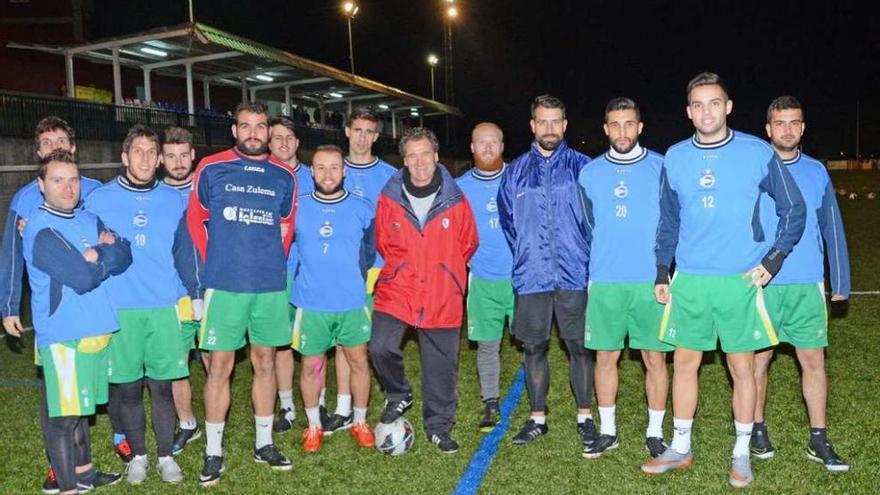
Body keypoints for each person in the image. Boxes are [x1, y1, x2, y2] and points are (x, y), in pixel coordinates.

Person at [641, 73, 806, 489]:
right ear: (688, 111)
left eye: (714, 103)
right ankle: (680, 446)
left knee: (742, 366)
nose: (706, 111)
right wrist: (663, 270)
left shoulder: (756, 151)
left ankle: (741, 452)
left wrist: (773, 259)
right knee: (685, 362)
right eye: (697, 105)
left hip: (740, 280)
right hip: (692, 280)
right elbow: (669, 221)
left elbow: (794, 209)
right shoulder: (675, 157)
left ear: (728, 106)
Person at [0, 117, 131, 493]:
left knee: (80, 411)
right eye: (57, 180)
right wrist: (98, 255)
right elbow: (81, 277)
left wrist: (98, 253)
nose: (68, 186)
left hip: (94, 327)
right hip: (65, 331)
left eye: (72, 179)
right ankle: (65, 484)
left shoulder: (89, 208)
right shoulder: (36, 220)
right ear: (41, 182)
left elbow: (124, 253)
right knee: (63, 413)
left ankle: (85, 472)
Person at [187, 101, 298, 486]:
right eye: (245, 126)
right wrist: (219, 265)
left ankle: (263, 442)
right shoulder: (211, 168)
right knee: (219, 367)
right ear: (234, 130)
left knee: (265, 362)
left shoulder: (284, 176)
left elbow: (286, 228)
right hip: (225, 284)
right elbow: (196, 222)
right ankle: (213, 451)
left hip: (268, 285)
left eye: (260, 126)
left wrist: (265, 263)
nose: (253, 132)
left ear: (269, 131)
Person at [86, 124, 201, 484]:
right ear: (124, 157)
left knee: (163, 387)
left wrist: (195, 293)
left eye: (152, 151)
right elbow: (79, 241)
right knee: (128, 389)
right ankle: (138, 455)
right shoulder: (99, 200)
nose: (146, 158)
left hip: (164, 307)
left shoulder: (172, 199)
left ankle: (166, 456)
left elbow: (185, 251)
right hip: (120, 309)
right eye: (138, 151)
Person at [752, 96, 850, 471]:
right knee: (759, 361)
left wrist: (839, 279)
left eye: (794, 122)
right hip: (763, 284)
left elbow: (832, 227)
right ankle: (757, 430)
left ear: (803, 127)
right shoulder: (755, 170)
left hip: (807, 282)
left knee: (813, 361)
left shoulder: (816, 171)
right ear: (768, 129)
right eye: (780, 123)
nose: (787, 130)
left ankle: (819, 438)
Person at [368, 127, 478, 453]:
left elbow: (468, 242)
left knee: (441, 367)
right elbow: (384, 242)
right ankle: (398, 394)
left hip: (442, 293)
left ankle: (439, 427)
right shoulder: (389, 199)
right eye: (411, 156)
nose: (419, 162)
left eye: (424, 154)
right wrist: (405, 267)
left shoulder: (457, 200)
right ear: (404, 161)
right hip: (398, 288)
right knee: (380, 347)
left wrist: (446, 271)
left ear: (436, 156)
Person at [497, 94, 595, 447]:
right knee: (533, 348)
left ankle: (585, 416)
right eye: (543, 121)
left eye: (556, 121)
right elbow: (509, 223)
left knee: (580, 348)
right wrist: (527, 255)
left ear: (565, 125)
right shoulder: (515, 172)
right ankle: (538, 417)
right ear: (532, 125)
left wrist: (581, 256)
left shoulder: (584, 167)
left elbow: (593, 221)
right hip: (531, 276)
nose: (549, 128)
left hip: (575, 273)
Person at [579, 97, 673, 459]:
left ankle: (654, 432)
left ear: (640, 126)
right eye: (615, 125)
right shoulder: (590, 173)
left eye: (629, 124)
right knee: (606, 356)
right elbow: (589, 226)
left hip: (650, 280)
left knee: (654, 358)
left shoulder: (661, 167)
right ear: (605, 129)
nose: (622, 131)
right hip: (605, 280)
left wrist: (663, 268)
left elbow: (670, 223)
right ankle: (608, 430)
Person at [290, 145, 376, 453]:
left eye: (334, 167)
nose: (328, 174)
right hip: (312, 303)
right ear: (312, 172)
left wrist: (364, 285)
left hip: (352, 302)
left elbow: (372, 252)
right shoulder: (297, 206)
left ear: (344, 171)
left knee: (358, 362)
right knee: (312, 366)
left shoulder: (363, 207)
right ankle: (313, 426)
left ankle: (360, 421)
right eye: (321, 168)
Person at [317, 107, 397, 435]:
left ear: (376, 136)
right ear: (347, 131)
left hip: (375, 270)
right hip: (334, 271)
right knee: (338, 342)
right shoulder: (329, 169)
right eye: (358, 130)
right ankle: (341, 407)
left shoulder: (390, 175)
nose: (363, 137)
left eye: (369, 132)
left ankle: (373, 401)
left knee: (362, 343)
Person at [455, 122, 514, 432]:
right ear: (472, 147)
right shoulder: (459, 187)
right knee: (488, 346)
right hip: (482, 280)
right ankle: (490, 402)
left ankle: (537, 408)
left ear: (502, 146)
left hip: (520, 280)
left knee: (532, 344)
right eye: (482, 142)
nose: (488, 147)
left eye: (494, 141)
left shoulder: (519, 178)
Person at [159, 126, 207, 456]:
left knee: (214, 360)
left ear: (193, 156)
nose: (178, 162)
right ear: (161, 159)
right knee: (178, 364)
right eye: (170, 156)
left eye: (183, 155)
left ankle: (216, 420)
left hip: (212, 293)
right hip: (171, 296)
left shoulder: (209, 190)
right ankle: (188, 424)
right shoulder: (152, 195)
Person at [267, 116, 313, 435]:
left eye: (289, 137)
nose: (283, 143)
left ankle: (318, 399)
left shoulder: (316, 176)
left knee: (315, 342)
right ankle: (287, 406)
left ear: (297, 143)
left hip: (312, 270)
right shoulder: (261, 177)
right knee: (281, 340)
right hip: (275, 271)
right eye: (277, 137)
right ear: (269, 143)